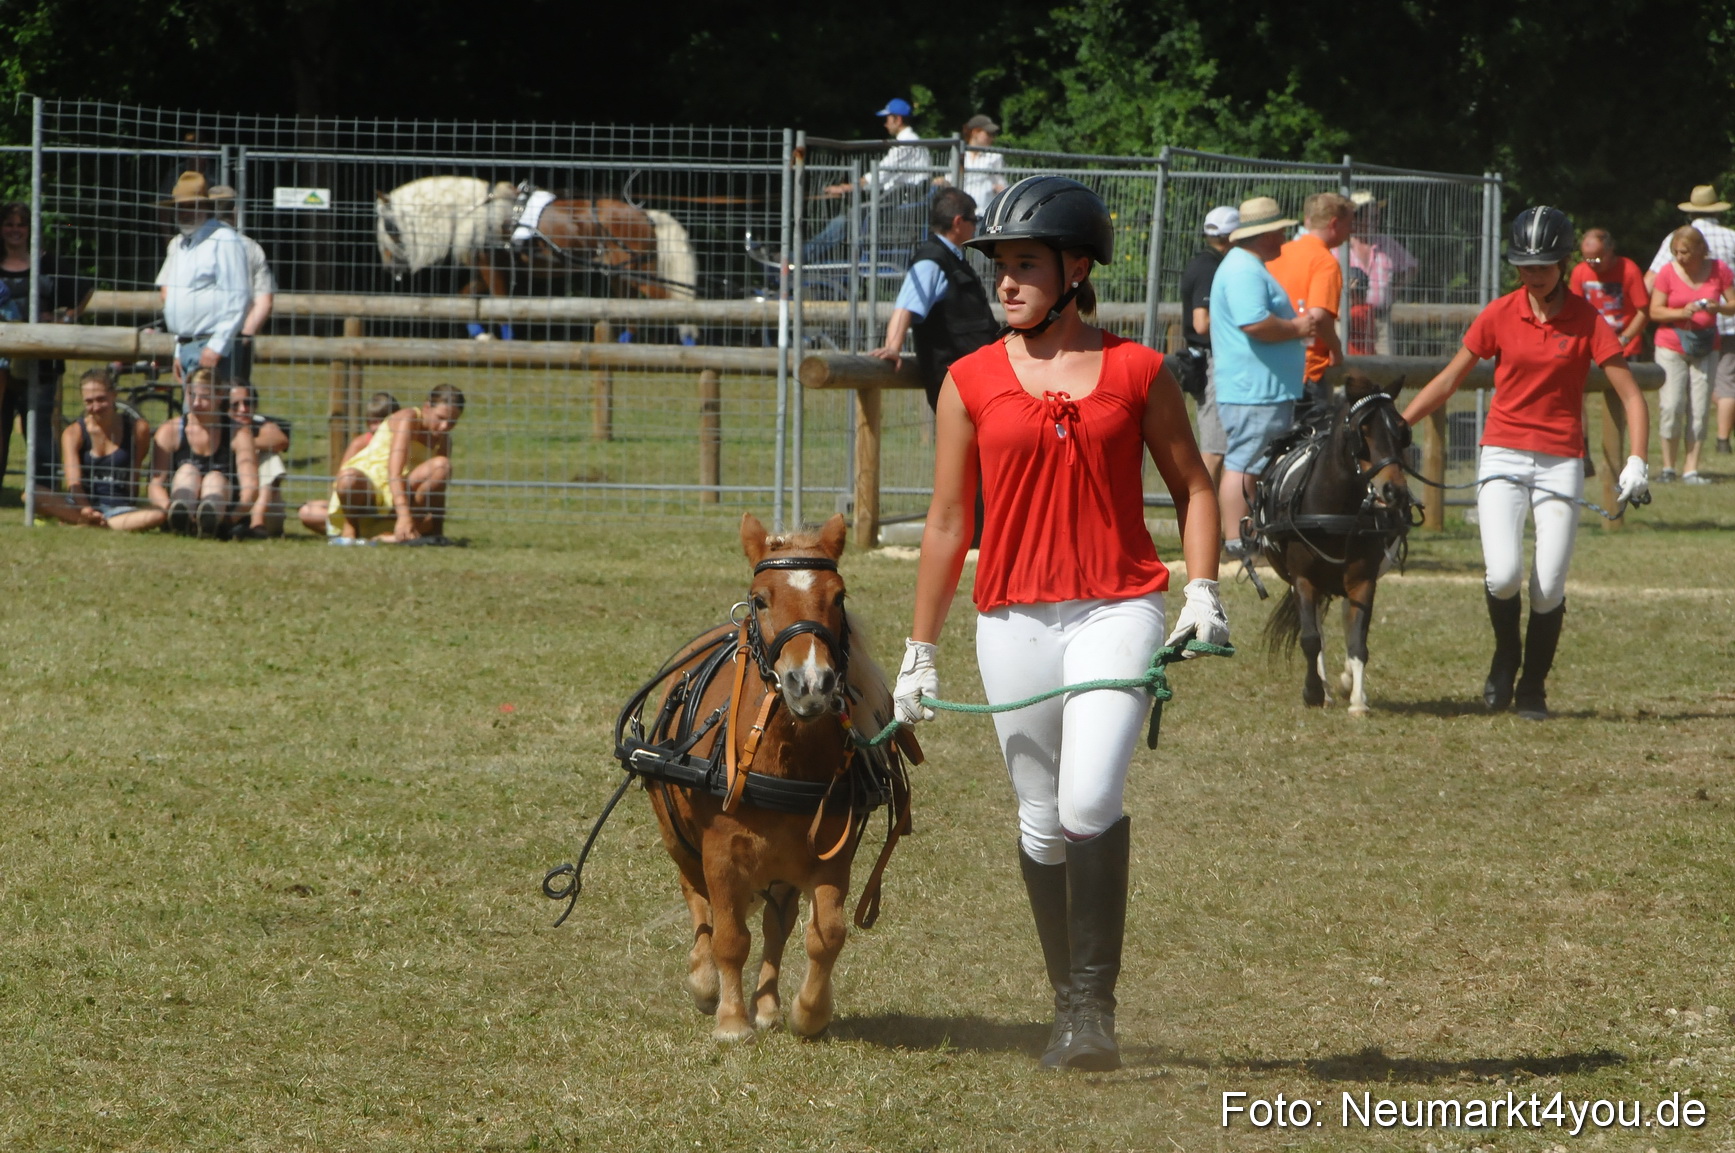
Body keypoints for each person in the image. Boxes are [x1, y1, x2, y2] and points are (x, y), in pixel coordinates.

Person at [892, 176, 1227, 1073]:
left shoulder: (1138, 371)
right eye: (997, 264)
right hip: (1010, 619)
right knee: (1039, 822)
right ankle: (1064, 1002)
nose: (1003, 281)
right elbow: (947, 523)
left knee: (1086, 802)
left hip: (1116, 606)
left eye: (1024, 264)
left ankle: (1091, 1011)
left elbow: (1194, 485)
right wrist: (917, 650)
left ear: (1076, 269)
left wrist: (1200, 589)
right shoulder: (965, 381)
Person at [1401, 207, 1651, 721]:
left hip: (1560, 458)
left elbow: (1631, 394)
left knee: (1549, 583)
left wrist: (1637, 460)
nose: (1533, 276)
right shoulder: (1499, 313)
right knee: (1504, 574)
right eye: (1524, 266)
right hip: (1503, 451)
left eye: (1543, 266)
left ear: (1563, 263)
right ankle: (1505, 657)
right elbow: (1450, 379)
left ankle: (1533, 686)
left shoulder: (1587, 319)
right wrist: (1400, 424)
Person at [1208, 196, 1317, 553]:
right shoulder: (1244, 270)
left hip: (1259, 387)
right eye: (1280, 230)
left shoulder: (1245, 266)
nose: (1284, 235)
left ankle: (1246, 536)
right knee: (1246, 462)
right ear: (1266, 234)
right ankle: (1239, 540)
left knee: (1250, 461)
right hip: (1253, 389)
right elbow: (1254, 323)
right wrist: (1299, 327)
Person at [868, 187, 997, 411]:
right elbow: (907, 305)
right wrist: (892, 347)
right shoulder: (932, 261)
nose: (976, 225)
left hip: (974, 379)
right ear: (958, 222)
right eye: (973, 219)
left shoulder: (952, 258)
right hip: (955, 384)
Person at [0, 200, 83, 492]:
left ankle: (45, 493)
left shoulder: (47, 262)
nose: (14, 230)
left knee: (39, 429)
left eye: (20, 224)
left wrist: (65, 319)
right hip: (2, 365)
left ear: (30, 229)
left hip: (42, 364)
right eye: (9, 224)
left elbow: (83, 289)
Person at [1645, 185, 1735, 454]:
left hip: (1696, 328)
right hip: (1728, 324)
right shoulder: (1732, 237)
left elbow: (1652, 277)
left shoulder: (1677, 237)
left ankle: (1692, 454)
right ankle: (1722, 440)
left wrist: (1639, 311)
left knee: (1690, 393)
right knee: (1726, 383)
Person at [326, 383, 464, 544]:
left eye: (452, 422)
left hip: (401, 494)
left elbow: (438, 491)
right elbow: (394, 473)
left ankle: (411, 532)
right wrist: (404, 516)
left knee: (442, 466)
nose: (445, 426)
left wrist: (438, 531)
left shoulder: (444, 439)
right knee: (346, 480)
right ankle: (350, 530)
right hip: (371, 486)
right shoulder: (409, 418)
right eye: (441, 418)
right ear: (427, 407)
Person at [34, 369, 166, 532]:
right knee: (31, 494)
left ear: (114, 395)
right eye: (89, 401)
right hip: (80, 504)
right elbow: (73, 483)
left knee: (159, 515)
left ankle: (87, 523)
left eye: (101, 399)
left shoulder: (137, 428)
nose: (95, 407)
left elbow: (135, 473)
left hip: (119, 508)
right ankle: (93, 522)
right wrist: (86, 510)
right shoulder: (73, 433)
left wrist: (130, 504)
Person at [808, 99, 933, 265]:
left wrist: (846, 188)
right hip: (901, 202)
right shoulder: (912, 141)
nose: (885, 124)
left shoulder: (906, 143)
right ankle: (804, 255)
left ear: (898, 119)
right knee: (850, 217)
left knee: (846, 219)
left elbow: (880, 174)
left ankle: (799, 257)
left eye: (887, 119)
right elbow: (882, 177)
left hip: (901, 207)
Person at [154, 171, 251, 384]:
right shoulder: (179, 245)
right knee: (193, 416)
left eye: (191, 206)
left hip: (214, 348)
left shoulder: (224, 240)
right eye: (180, 207)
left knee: (214, 415)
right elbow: (174, 299)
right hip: (186, 346)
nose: (184, 213)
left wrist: (216, 347)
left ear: (205, 207)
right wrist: (179, 350)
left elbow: (239, 298)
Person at [148, 367, 259, 538]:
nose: (196, 403)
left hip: (225, 507)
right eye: (192, 395)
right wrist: (167, 509)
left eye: (205, 397)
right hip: (180, 495)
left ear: (220, 395)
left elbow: (250, 488)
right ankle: (181, 517)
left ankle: (210, 520)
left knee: (214, 478)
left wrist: (232, 518)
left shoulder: (239, 433)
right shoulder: (170, 430)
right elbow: (155, 485)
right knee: (188, 471)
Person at [1266, 192, 1352, 399]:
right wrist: (1336, 349)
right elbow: (1319, 317)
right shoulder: (1325, 262)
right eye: (1349, 224)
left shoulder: (1279, 252)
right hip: (1307, 370)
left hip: (1271, 360)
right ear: (1334, 224)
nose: (1351, 231)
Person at [1176, 205, 1239, 484]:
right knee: (1214, 451)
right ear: (1233, 236)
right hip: (1211, 362)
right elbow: (1202, 322)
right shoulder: (1209, 268)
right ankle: (1205, 522)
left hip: (1210, 361)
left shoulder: (1206, 262)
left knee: (1221, 450)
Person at [297, 391, 399, 534]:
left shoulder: (401, 445)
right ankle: (355, 528)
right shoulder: (360, 443)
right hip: (358, 504)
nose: (376, 427)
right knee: (307, 511)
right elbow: (342, 480)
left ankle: (363, 531)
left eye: (381, 422)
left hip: (387, 506)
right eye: (372, 422)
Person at [207, 186, 275, 381]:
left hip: (199, 336)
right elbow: (264, 301)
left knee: (200, 399)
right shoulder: (250, 247)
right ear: (235, 211)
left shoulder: (187, 243)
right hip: (236, 337)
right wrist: (245, 335)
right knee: (235, 400)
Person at [1348, 191, 1416, 354]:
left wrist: (1395, 290)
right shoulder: (1340, 246)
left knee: (1385, 372)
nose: (1376, 221)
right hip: (1349, 321)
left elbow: (1412, 267)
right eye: (1371, 217)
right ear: (1355, 218)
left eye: (1377, 217)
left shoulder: (1387, 243)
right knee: (1349, 372)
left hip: (1380, 320)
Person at [1570, 229, 1650, 359]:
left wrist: (1624, 339)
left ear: (1610, 250)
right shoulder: (1579, 272)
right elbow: (1576, 312)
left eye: (1597, 258)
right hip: (1592, 348)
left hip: (1625, 348)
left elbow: (1643, 312)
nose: (1592, 264)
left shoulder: (1629, 270)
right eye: (1587, 258)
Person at [226, 381, 291, 537]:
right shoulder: (218, 428)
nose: (243, 409)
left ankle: (257, 520)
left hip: (268, 513)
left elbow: (281, 440)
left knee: (270, 456)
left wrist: (243, 446)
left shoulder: (261, 423)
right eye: (235, 405)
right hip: (229, 504)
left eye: (248, 403)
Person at [959, 114, 1007, 208]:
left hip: (984, 211)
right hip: (964, 212)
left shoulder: (995, 157)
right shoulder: (959, 155)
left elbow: (1002, 184)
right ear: (975, 132)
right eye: (988, 134)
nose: (992, 138)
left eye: (993, 135)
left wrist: (997, 188)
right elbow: (951, 180)